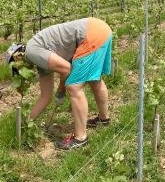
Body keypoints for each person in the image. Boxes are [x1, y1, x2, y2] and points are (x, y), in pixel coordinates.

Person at [7, 17, 113, 150]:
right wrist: (26, 123)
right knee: (94, 80)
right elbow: (45, 97)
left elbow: (67, 70)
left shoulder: (32, 52)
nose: (21, 71)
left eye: (18, 68)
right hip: (99, 29)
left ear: (18, 58)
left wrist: (61, 91)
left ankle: (80, 138)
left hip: (91, 34)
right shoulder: (38, 57)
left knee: (74, 86)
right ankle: (103, 120)